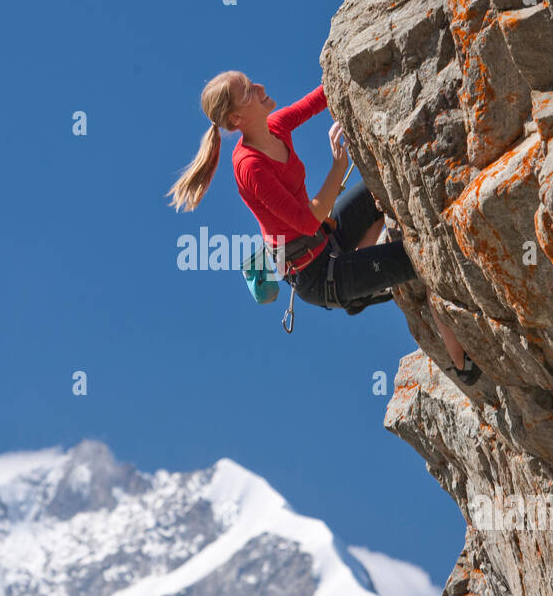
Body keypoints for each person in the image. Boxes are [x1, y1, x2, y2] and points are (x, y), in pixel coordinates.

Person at [169, 71, 480, 386]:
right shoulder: (250, 167)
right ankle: (461, 363)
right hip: (318, 276)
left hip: (326, 239)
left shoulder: (274, 126)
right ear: (236, 118)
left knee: (377, 186)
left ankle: (363, 277)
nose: (260, 86)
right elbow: (306, 220)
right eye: (249, 91)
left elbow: (316, 100)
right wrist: (338, 167)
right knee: (423, 257)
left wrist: (349, 70)